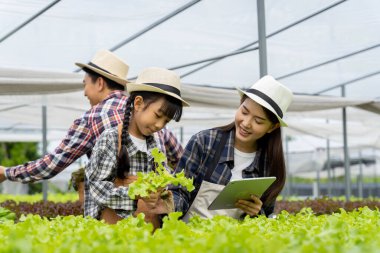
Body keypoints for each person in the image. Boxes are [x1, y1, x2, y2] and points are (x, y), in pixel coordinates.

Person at [0, 50, 183, 185]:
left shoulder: (91, 119)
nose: (85, 92)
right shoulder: (148, 114)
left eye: (85, 84)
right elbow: (180, 159)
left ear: (100, 83)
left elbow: (51, 165)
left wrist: (8, 172)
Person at [171, 75, 293, 221]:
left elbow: (265, 218)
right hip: (191, 238)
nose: (246, 123)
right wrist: (168, 204)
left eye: (258, 121)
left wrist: (256, 213)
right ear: (240, 104)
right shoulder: (204, 142)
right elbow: (179, 192)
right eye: (244, 112)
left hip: (234, 242)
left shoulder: (268, 164)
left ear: (272, 127)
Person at [84, 67, 189, 228]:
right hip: (110, 230)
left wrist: (160, 194)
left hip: (147, 229)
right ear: (138, 103)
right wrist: (135, 193)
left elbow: (164, 182)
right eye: (158, 115)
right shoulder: (111, 139)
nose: (160, 125)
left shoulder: (156, 144)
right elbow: (97, 189)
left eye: (166, 121)